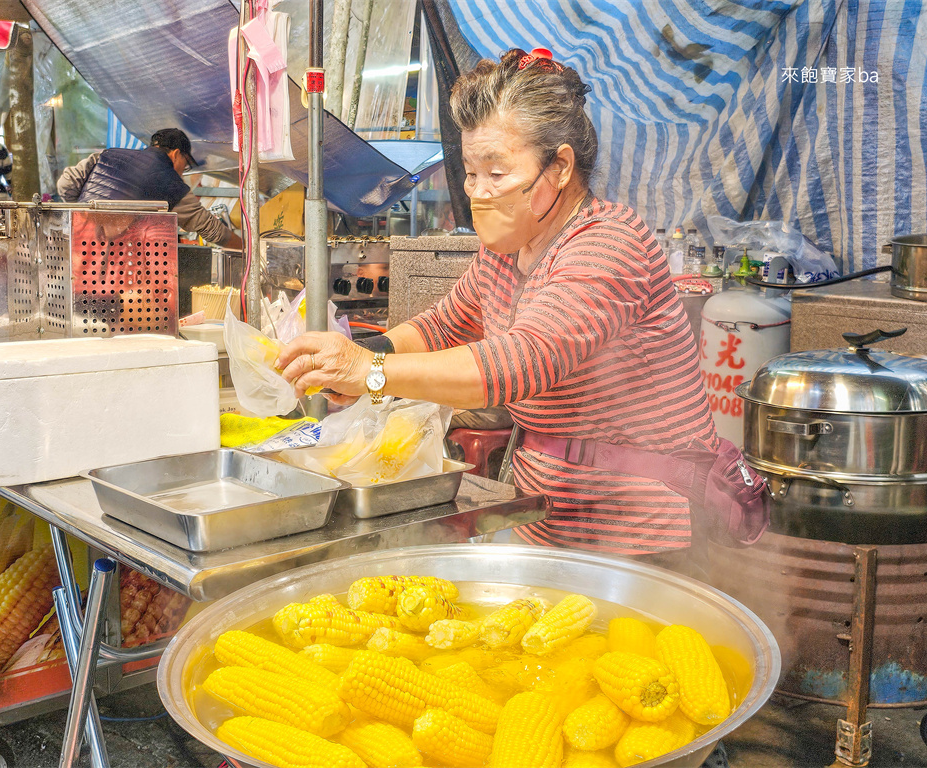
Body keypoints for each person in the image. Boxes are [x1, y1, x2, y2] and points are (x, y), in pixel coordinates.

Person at [276, 48, 719, 561]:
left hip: (640, 528)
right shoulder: (507, 251)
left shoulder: (608, 243)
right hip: (545, 514)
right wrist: (356, 354)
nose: (480, 193)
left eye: (499, 172)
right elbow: (447, 324)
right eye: (470, 173)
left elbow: (523, 360)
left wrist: (371, 373)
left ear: (560, 168)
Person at [56, 128, 243, 249]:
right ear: (176, 154)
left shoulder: (107, 155)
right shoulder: (171, 183)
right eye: (185, 165)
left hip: (77, 245)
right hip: (120, 263)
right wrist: (246, 250)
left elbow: (65, 184)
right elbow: (211, 230)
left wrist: (86, 215)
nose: (181, 173)